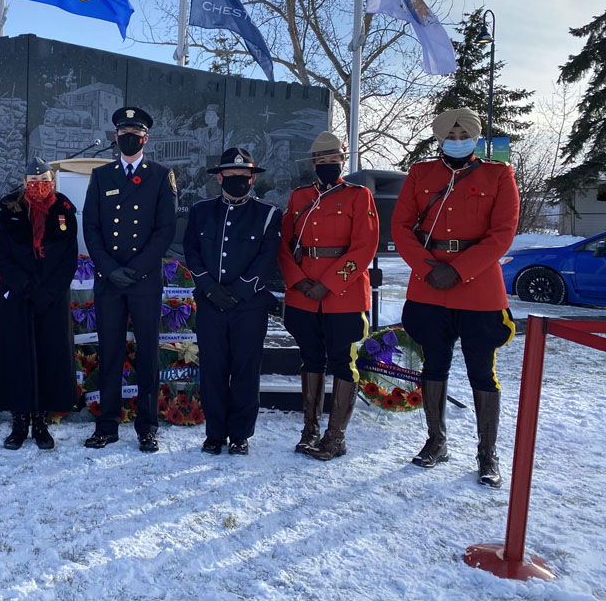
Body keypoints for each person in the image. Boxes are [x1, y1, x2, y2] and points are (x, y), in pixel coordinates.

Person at [392, 108, 519, 488]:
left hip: (478, 287)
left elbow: (503, 233)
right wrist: (429, 267)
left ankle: (487, 452)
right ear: (440, 136)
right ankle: (436, 441)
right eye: (452, 131)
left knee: (482, 370)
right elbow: (400, 226)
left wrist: (459, 270)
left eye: (466, 132)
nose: (458, 136)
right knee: (434, 365)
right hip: (430, 282)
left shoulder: (498, 174)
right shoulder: (420, 174)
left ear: (477, 137)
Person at [278, 132, 379, 461]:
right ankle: (310, 430)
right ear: (312, 163)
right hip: (304, 293)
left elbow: (365, 247)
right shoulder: (299, 197)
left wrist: (331, 282)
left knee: (342, 361)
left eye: (333, 159)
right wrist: (298, 280)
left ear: (343, 160)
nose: (327, 165)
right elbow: (284, 245)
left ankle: (336, 436)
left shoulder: (358, 195)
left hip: (343, 295)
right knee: (310, 358)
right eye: (321, 160)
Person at [83, 106, 177, 453]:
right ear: (115, 136)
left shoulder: (161, 176)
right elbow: (91, 227)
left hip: (144, 280)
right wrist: (109, 268)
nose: (128, 137)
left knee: (147, 354)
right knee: (109, 352)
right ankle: (107, 424)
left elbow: (165, 229)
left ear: (145, 137)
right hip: (110, 281)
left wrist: (136, 269)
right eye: (123, 132)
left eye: (135, 132)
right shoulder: (102, 175)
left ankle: (147, 426)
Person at [183, 147, 282, 455]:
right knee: (212, 369)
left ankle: (239, 434)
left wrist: (240, 291)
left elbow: (267, 259)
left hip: (249, 307)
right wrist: (209, 287)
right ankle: (215, 434)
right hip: (211, 304)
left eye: (243, 176)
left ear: (252, 179)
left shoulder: (268, 215)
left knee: (245, 370)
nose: (237, 181)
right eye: (231, 176)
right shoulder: (201, 211)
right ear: (219, 178)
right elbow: (192, 250)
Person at [0, 157, 79, 450]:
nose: (39, 188)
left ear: (53, 183)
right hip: (18, 296)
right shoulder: (10, 212)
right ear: (24, 184)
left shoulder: (64, 211)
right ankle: (20, 421)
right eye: (33, 183)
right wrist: (24, 286)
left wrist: (48, 292)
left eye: (45, 182)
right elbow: (3, 258)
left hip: (51, 298)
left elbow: (68, 259)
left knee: (49, 357)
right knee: (18, 358)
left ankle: (42, 422)